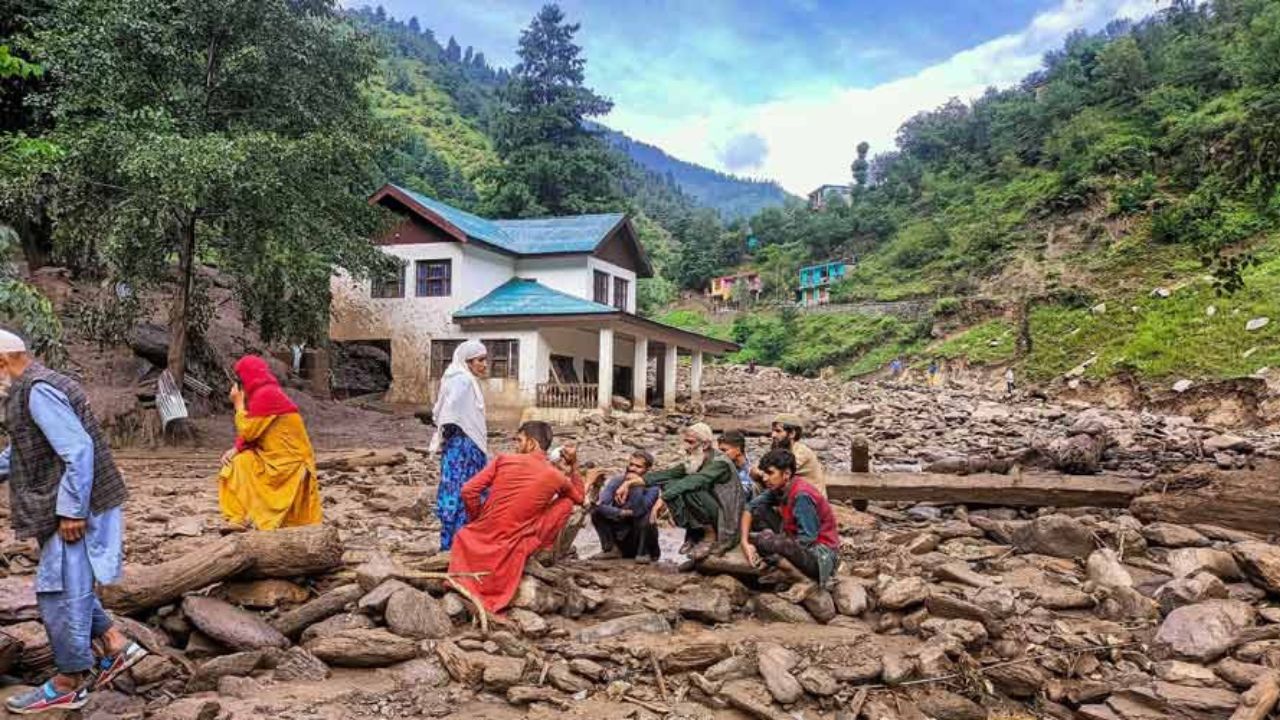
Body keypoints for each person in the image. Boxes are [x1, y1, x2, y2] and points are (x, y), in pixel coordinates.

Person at [0, 330, 147, 714]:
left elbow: (78, 449)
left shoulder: (36, 390)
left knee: (59, 591)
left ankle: (69, 681)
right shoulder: (37, 385)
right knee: (72, 583)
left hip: (80, 505)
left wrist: (71, 510)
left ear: (2, 363)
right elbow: (23, 448)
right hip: (85, 499)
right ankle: (115, 644)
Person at [447, 421, 596, 614]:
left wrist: (478, 521)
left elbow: (469, 491)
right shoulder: (555, 475)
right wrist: (574, 466)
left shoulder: (503, 460)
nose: (516, 445)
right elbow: (578, 498)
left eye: (519, 440)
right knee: (566, 503)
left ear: (532, 443)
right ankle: (541, 548)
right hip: (515, 540)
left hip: (478, 535)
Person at [218, 356, 321, 531]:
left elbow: (249, 431)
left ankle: (248, 517)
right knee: (237, 463)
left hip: (289, 463)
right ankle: (238, 518)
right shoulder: (264, 393)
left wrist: (238, 405)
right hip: (275, 459)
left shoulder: (266, 394)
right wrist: (236, 449)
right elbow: (257, 430)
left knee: (238, 464)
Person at [616, 423, 741, 561]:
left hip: (726, 515)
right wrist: (630, 483)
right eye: (685, 441)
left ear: (705, 445)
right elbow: (669, 474)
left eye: (691, 442)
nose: (686, 446)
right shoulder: (696, 459)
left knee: (689, 489)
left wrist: (663, 498)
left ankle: (710, 535)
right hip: (713, 508)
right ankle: (695, 534)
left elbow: (694, 481)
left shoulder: (719, 462)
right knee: (670, 484)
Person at [740, 449, 839, 603]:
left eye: (770, 473)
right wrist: (745, 542)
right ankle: (786, 570)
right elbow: (750, 507)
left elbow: (808, 538)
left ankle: (803, 579)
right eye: (764, 473)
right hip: (800, 543)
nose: (765, 478)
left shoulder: (802, 495)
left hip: (821, 556)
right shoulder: (778, 488)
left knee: (764, 540)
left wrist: (776, 545)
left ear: (786, 474)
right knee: (760, 517)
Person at [429, 340, 489, 551]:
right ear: (468, 362)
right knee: (462, 493)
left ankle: (457, 546)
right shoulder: (462, 381)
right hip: (463, 449)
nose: (484, 365)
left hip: (462, 446)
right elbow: (450, 411)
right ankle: (457, 547)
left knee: (462, 493)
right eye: (480, 360)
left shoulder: (463, 379)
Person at [590, 450, 660, 563]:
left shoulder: (653, 487)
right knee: (596, 512)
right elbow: (601, 505)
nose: (632, 468)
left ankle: (644, 553)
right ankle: (611, 549)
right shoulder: (617, 481)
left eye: (638, 467)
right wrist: (621, 513)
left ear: (647, 470)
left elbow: (639, 511)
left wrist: (634, 485)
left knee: (647, 516)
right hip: (622, 534)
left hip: (640, 537)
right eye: (631, 464)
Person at [756, 413, 826, 497]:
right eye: (773, 431)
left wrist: (762, 472)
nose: (773, 435)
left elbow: (778, 474)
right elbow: (754, 470)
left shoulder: (801, 452)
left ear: (792, 433)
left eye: (778, 431)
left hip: (808, 500)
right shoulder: (779, 451)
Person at [717, 429, 758, 500]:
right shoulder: (723, 467)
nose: (720, 454)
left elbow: (742, 493)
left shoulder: (752, 469)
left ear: (738, 450)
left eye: (724, 450)